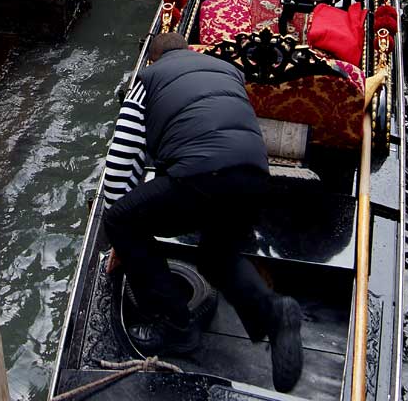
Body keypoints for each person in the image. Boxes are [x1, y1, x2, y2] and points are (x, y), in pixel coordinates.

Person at [103, 31, 303, 394]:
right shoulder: (226, 72)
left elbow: (121, 161)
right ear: (191, 51)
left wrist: (121, 237)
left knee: (120, 218)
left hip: (201, 174)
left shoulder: (147, 80)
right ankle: (273, 314)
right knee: (216, 253)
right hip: (254, 177)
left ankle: (176, 326)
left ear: (153, 60)